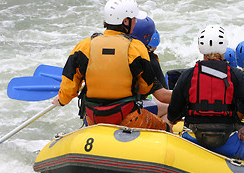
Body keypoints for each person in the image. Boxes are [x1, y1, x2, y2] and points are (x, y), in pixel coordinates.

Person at [52, 0, 170, 132]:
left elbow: (69, 84)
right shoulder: (136, 48)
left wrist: (62, 99)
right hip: (128, 117)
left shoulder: (84, 46)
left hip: (93, 118)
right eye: (134, 19)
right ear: (126, 21)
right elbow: (145, 88)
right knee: (166, 129)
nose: (135, 22)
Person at [168, 25, 244, 160]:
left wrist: (174, 119)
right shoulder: (236, 74)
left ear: (200, 48)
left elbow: (173, 110)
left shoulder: (188, 74)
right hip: (227, 141)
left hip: (193, 141)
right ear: (224, 48)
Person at [131, 16, 171, 123]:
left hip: (96, 110)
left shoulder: (116, 50)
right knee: (170, 108)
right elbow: (163, 96)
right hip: (127, 111)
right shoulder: (146, 59)